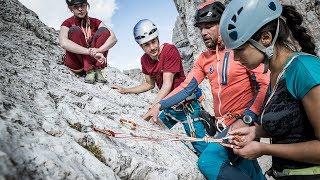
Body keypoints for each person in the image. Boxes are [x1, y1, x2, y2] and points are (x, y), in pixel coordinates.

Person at [144, 1, 269, 179]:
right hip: (225, 126)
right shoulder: (204, 59)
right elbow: (187, 87)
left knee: (208, 161)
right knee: (248, 167)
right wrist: (159, 105)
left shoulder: (241, 50)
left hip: (245, 123)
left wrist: (248, 118)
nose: (203, 32)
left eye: (209, 26)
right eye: (200, 28)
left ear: (224, 24)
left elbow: (265, 84)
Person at [219, 0, 320, 179]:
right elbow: (292, 123)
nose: (235, 58)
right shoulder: (276, 73)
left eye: (240, 49)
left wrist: (264, 148)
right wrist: (255, 132)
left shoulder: (304, 70)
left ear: (265, 38)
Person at [112, 19, 207, 154]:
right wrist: (125, 90)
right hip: (170, 107)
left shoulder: (169, 50)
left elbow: (167, 84)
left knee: (201, 148)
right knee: (153, 132)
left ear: (158, 38)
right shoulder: (144, 60)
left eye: (153, 41)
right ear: (141, 46)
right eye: (146, 45)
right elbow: (148, 84)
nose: (152, 47)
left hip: (188, 106)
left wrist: (150, 111)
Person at [59, 0, 117, 84]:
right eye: (76, 7)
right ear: (71, 9)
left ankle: (97, 69)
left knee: (104, 31)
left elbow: (113, 38)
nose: (80, 9)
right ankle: (89, 70)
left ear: (86, 5)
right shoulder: (67, 22)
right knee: (75, 30)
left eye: (82, 5)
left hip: (95, 62)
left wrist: (99, 50)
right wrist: (90, 52)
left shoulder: (96, 21)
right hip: (76, 64)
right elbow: (63, 42)